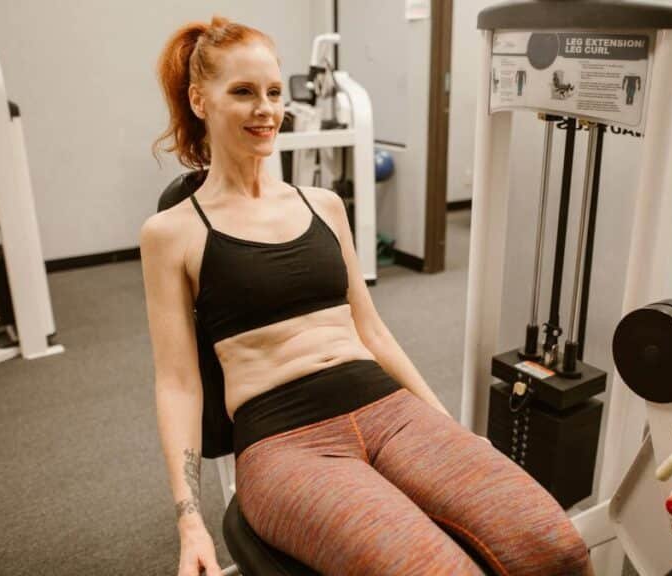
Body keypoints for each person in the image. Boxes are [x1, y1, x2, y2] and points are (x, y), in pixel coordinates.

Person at [141, 16, 595, 576]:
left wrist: (444, 424)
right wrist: (190, 522)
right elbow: (179, 384)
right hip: (286, 442)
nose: (265, 109)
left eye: (274, 92)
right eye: (243, 92)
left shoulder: (323, 205)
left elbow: (372, 330)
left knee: (556, 548)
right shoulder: (172, 233)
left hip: (389, 411)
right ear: (199, 100)